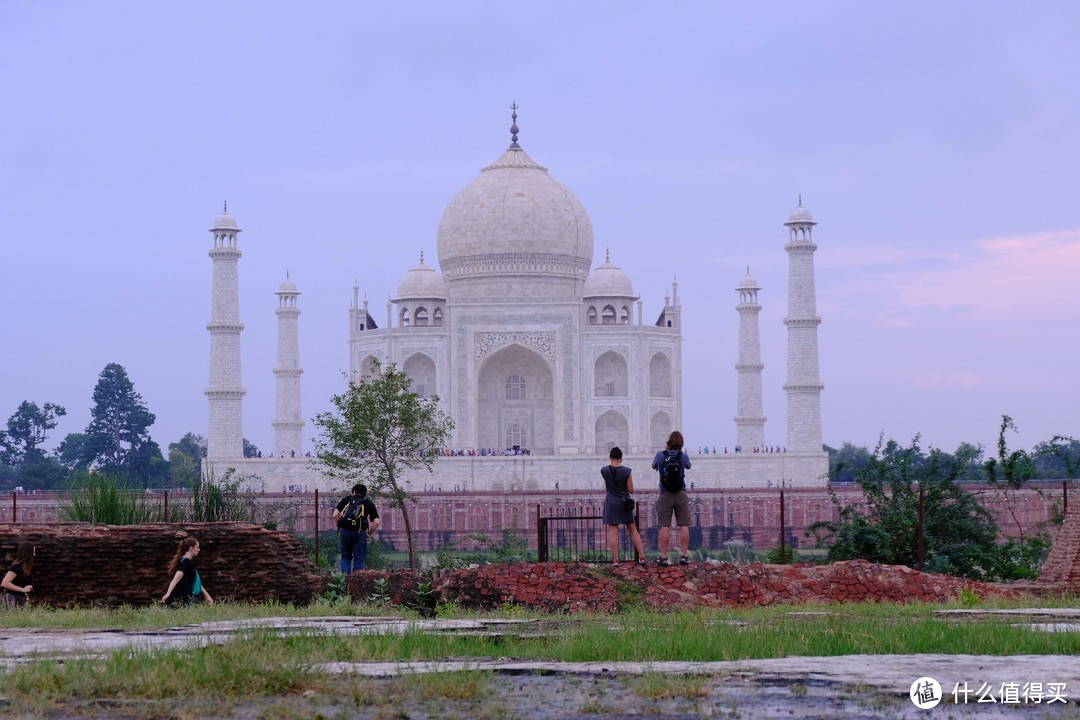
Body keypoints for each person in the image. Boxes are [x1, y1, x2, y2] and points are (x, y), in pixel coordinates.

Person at [652, 430, 693, 566]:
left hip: (665, 494)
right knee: (683, 525)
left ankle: (663, 557)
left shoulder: (660, 455)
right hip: (681, 493)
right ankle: (684, 555)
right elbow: (688, 466)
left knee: (665, 526)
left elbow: (654, 466)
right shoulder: (683, 456)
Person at [601, 447, 646, 566]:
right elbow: (631, 490)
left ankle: (616, 559)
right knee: (633, 530)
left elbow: (607, 485)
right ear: (621, 458)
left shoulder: (604, 470)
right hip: (623, 502)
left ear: (610, 457)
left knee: (613, 531)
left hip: (611, 501)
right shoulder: (626, 471)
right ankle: (642, 557)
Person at [333, 483, 381, 573]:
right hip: (360, 533)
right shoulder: (367, 503)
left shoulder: (346, 500)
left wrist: (341, 525)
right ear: (365, 493)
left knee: (345, 557)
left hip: (345, 532)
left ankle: (345, 580)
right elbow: (376, 522)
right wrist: (369, 534)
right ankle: (356, 581)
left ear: (354, 492)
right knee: (359, 558)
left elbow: (335, 515)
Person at [162, 537, 214, 606]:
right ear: (191, 548)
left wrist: (207, 595)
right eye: (197, 547)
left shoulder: (186, 562)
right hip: (181, 598)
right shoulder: (185, 562)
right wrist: (168, 593)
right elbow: (176, 578)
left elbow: (195, 581)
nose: (199, 550)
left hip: (186, 597)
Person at [2, 542, 35, 608]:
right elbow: (4, 583)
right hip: (11, 598)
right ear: (28, 553)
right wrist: (22, 589)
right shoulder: (17, 567)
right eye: (33, 552)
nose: (34, 555)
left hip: (21, 598)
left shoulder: (27, 568)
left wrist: (29, 587)